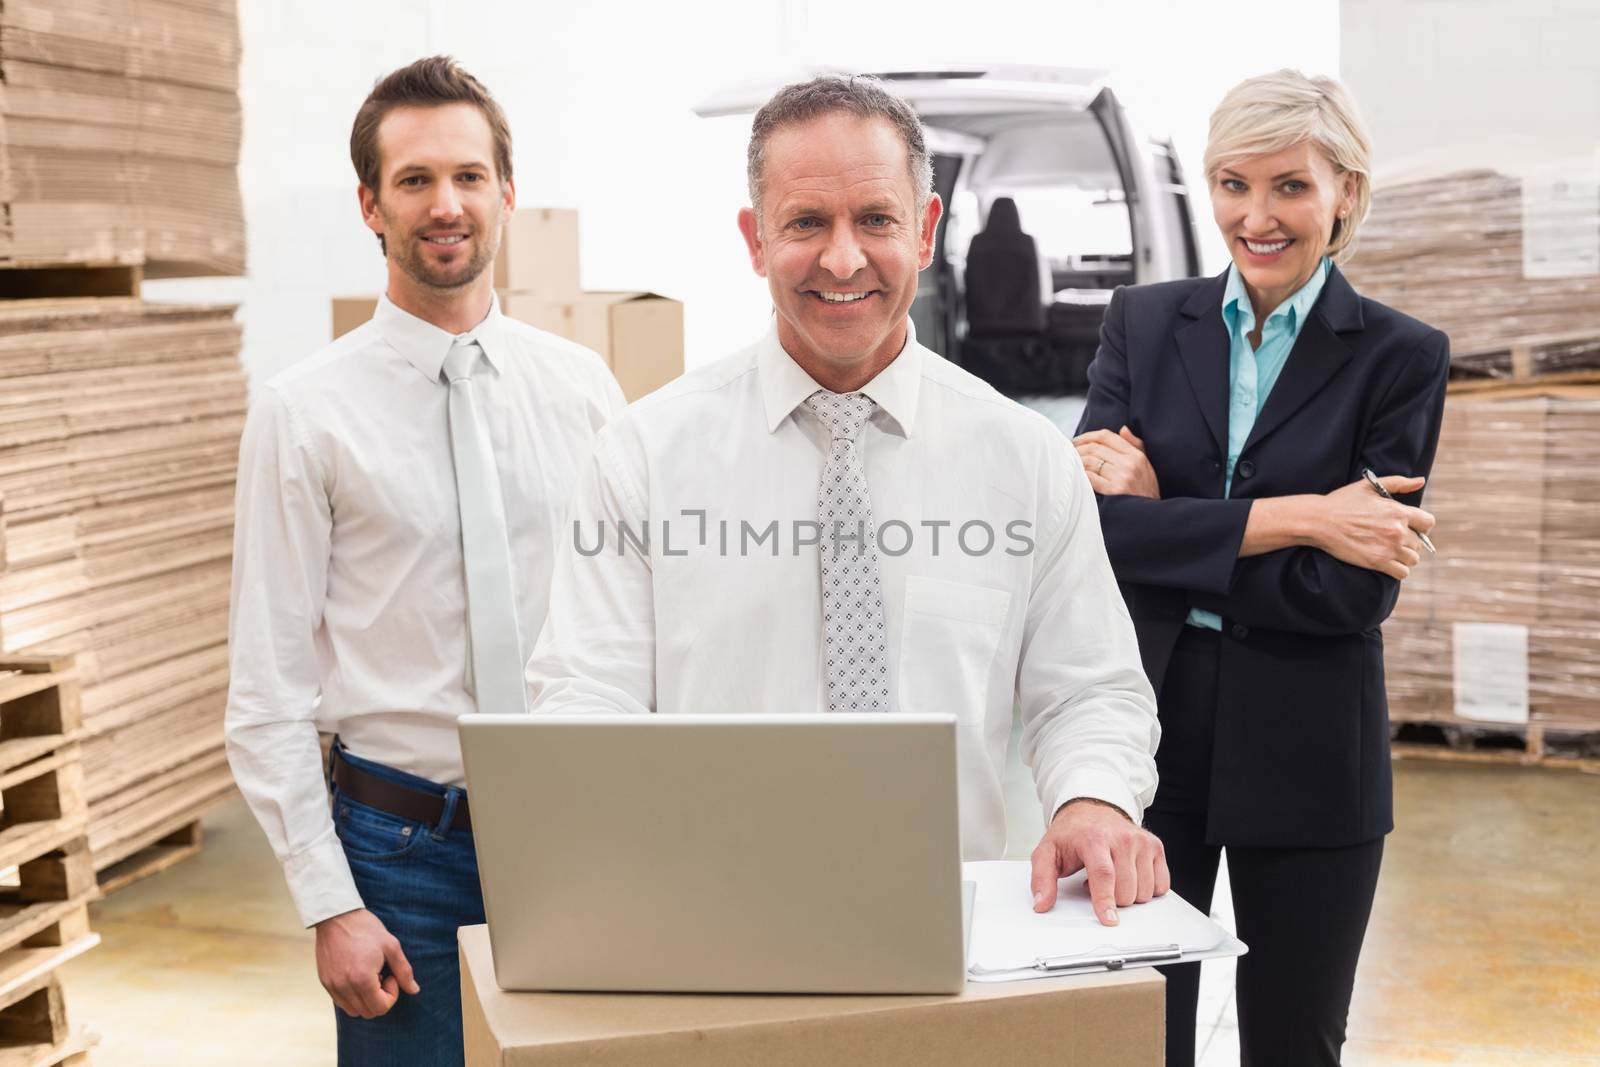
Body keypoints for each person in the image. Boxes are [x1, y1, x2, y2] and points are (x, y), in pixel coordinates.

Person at [525, 74, 1168, 923]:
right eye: (805, 223)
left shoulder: (1023, 461)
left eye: (874, 219)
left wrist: (1092, 798)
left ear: (926, 229)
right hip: (709, 920)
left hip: (947, 922)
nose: (841, 258)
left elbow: (1088, 687)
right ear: (755, 240)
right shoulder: (644, 458)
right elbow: (585, 695)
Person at [224, 56, 623, 1066]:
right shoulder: (304, 411)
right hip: (404, 854)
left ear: (507, 194)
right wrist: (328, 901)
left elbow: (632, 615)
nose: (444, 204)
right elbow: (266, 687)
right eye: (413, 180)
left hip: (578, 830)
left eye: (467, 176)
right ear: (371, 204)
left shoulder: (582, 388)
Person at [1072, 69, 1448, 1066]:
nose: (1257, 214)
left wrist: (1169, 520)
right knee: (1131, 1038)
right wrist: (1306, 518)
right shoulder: (1144, 326)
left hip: (1313, 750)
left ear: (1345, 195)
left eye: (1288, 186)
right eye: (1232, 184)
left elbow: (1350, 589)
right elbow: (1096, 538)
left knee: (1292, 1043)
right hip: (1148, 739)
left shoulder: (1401, 357)